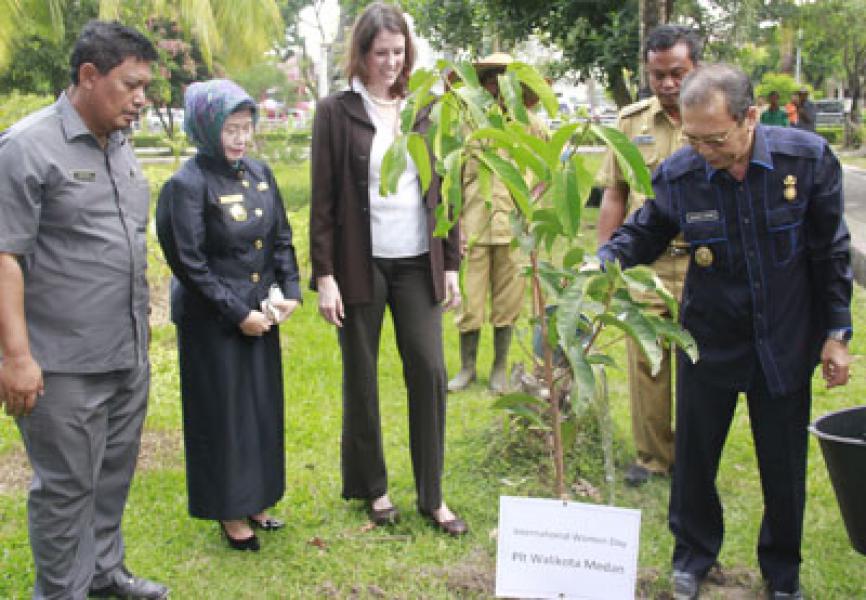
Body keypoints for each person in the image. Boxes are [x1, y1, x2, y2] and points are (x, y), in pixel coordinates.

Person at [599, 63, 852, 600]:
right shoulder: (681, 173)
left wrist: (837, 332)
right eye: (692, 138)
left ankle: (782, 574)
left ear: (750, 118)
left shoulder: (804, 163)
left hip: (783, 341)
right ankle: (693, 558)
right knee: (694, 460)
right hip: (709, 341)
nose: (703, 150)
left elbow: (830, 251)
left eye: (714, 139)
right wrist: (601, 265)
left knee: (784, 468)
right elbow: (642, 234)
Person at [0, 21, 168, 599]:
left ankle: (103, 574)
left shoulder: (118, 142)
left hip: (125, 351)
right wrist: (17, 357)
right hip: (61, 363)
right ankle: (61, 592)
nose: (142, 99)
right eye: (131, 85)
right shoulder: (27, 146)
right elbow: (5, 258)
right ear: (89, 76)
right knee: (66, 488)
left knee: (111, 477)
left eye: (146, 86)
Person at [309, 2, 467, 536]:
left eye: (399, 52)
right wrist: (324, 274)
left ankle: (433, 496)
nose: (391, 63)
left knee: (429, 370)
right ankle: (373, 487)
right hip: (361, 263)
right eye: (381, 53)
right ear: (361, 54)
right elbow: (324, 198)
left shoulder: (427, 106)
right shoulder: (337, 111)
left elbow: (443, 187)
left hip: (418, 262)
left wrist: (452, 262)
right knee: (362, 375)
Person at [156, 80, 301, 552]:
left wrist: (289, 292)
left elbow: (280, 237)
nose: (239, 139)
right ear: (205, 127)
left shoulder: (259, 173)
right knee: (223, 415)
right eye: (229, 129)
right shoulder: (186, 184)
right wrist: (238, 313)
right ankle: (228, 509)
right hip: (213, 320)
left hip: (261, 312)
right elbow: (189, 262)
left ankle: (257, 499)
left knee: (259, 410)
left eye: (245, 128)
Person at [596, 24, 701, 487]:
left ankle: (697, 454)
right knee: (646, 362)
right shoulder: (632, 122)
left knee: (701, 364)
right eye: (658, 74)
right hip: (648, 264)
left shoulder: (715, 114)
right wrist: (606, 259)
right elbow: (615, 195)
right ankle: (654, 457)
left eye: (677, 73)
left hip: (705, 264)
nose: (667, 84)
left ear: (695, 66)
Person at [447, 52, 544, 395]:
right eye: (490, 79)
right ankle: (467, 367)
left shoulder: (530, 125)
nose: (496, 87)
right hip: (472, 227)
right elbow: (451, 180)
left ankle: (499, 368)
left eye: (504, 81)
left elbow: (548, 170)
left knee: (508, 302)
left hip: (514, 230)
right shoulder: (465, 125)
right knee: (469, 302)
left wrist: (532, 202)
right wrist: (455, 224)